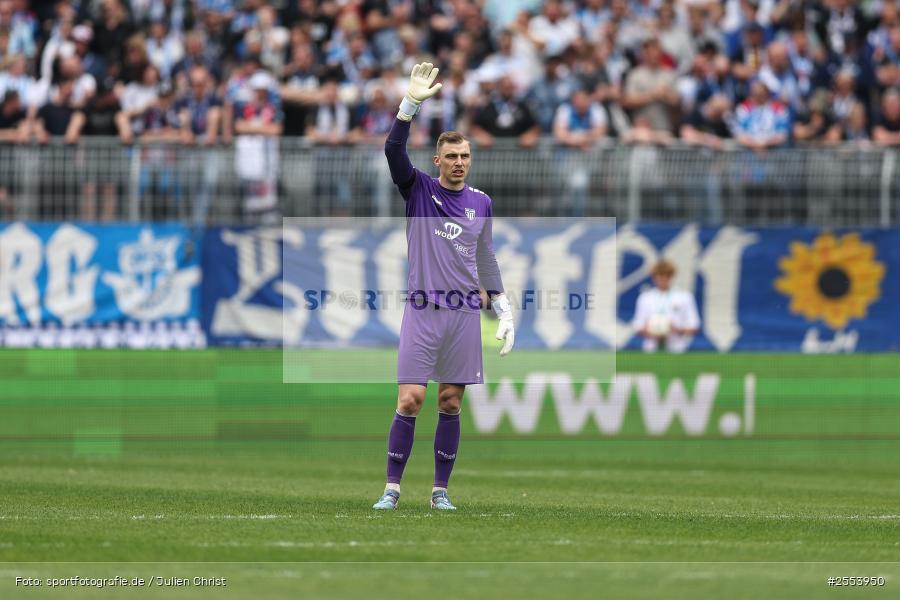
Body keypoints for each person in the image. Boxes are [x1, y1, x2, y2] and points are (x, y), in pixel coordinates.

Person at [372, 63, 514, 512]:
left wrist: (504, 308)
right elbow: (394, 151)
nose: (458, 163)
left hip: (464, 313)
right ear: (438, 161)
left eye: (465, 156)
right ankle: (392, 488)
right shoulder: (418, 190)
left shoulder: (481, 203)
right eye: (451, 156)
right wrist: (409, 106)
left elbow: (485, 256)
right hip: (423, 309)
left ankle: (439, 492)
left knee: (450, 401)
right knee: (411, 398)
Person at [632, 259, 700, 353]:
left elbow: (694, 326)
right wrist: (650, 331)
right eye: (659, 276)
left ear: (671, 277)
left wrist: (676, 329)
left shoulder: (685, 297)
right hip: (651, 349)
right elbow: (637, 326)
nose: (662, 280)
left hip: (677, 350)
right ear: (654, 277)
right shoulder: (645, 298)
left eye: (666, 276)